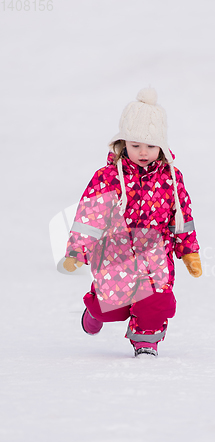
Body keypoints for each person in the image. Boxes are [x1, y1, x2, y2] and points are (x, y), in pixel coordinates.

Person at [63, 88, 202, 357]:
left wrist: (189, 251)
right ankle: (95, 311)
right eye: (135, 145)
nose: (143, 152)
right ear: (123, 142)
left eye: (150, 146)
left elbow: (182, 217)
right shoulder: (108, 177)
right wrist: (77, 252)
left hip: (156, 256)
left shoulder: (171, 178)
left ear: (161, 145)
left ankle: (146, 343)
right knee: (112, 305)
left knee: (156, 301)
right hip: (115, 255)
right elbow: (89, 217)